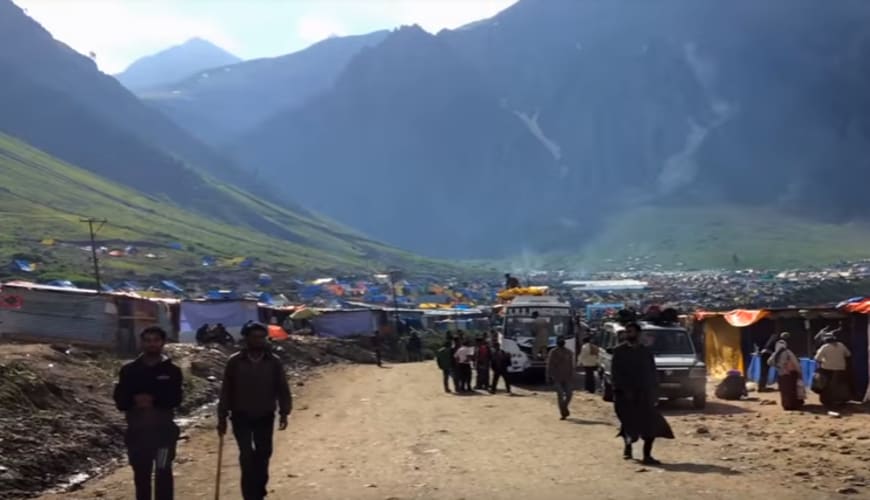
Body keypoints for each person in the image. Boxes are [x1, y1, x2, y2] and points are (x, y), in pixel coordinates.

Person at [218, 322, 292, 500]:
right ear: (246, 339)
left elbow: (282, 387)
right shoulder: (235, 362)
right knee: (246, 456)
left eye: (261, 337)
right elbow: (226, 390)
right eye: (254, 337)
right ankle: (249, 495)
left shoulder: (273, 362)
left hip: (265, 414)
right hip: (240, 415)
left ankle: (259, 488)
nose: (258, 341)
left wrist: (284, 411)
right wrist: (222, 416)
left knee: (263, 454)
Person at [113, 326, 183, 500]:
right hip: (137, 435)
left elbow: (176, 399)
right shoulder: (129, 371)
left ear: (162, 343)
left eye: (155, 340)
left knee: (163, 471)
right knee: (141, 475)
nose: (152, 344)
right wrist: (134, 401)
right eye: (148, 340)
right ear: (142, 343)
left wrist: (154, 400)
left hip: (164, 436)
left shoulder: (172, 371)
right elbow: (120, 400)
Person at [612, 322, 674, 465]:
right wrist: (622, 391)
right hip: (626, 396)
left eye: (631, 332)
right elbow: (616, 374)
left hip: (644, 395)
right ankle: (628, 447)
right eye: (627, 332)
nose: (628, 334)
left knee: (651, 425)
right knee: (629, 425)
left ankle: (647, 455)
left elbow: (652, 373)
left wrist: (655, 393)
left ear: (638, 334)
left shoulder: (645, 352)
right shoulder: (619, 351)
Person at [814, 332, 852, 410]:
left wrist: (824, 360)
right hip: (841, 368)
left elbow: (817, 358)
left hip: (827, 369)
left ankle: (828, 401)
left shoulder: (825, 347)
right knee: (839, 385)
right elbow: (848, 354)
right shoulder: (841, 345)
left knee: (827, 386)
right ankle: (839, 400)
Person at [768, 334, 804, 411]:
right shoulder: (788, 352)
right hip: (790, 374)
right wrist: (799, 371)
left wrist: (778, 366)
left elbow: (769, 362)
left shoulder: (775, 354)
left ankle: (786, 405)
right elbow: (795, 363)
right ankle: (792, 405)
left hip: (781, 374)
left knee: (784, 391)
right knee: (791, 390)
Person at [546, 336, 575, 419]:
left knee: (569, 394)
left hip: (567, 377)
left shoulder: (569, 352)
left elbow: (571, 365)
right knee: (560, 394)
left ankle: (564, 407)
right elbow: (550, 365)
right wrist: (548, 376)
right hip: (556, 377)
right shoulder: (553, 352)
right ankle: (563, 413)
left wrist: (572, 375)